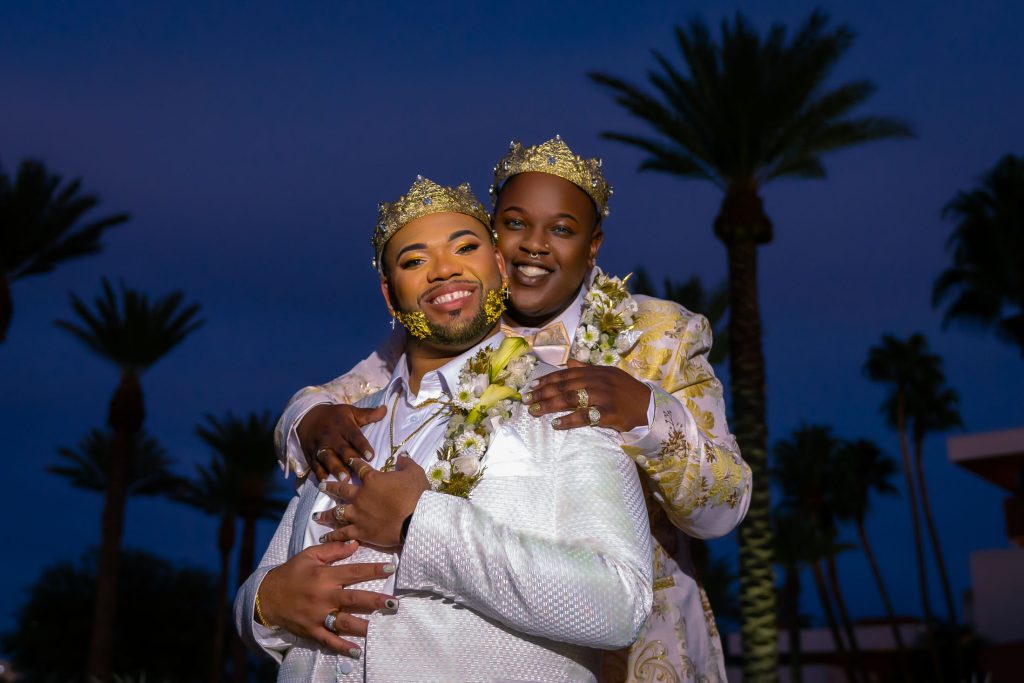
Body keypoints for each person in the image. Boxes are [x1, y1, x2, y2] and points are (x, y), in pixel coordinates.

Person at [279, 138, 751, 682]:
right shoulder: (458, 320)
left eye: (562, 230)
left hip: (645, 641)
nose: (535, 246)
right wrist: (307, 420)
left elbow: (726, 505)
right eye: (515, 223)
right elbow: (331, 401)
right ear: (493, 241)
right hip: (487, 645)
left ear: (593, 245)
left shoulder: (660, 335)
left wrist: (645, 411)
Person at [235, 176, 653, 681]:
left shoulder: (558, 403)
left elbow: (622, 604)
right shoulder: (349, 423)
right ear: (391, 297)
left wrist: (420, 527)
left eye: (465, 247)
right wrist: (262, 605)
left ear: (499, 267)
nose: (443, 269)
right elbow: (269, 577)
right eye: (414, 261)